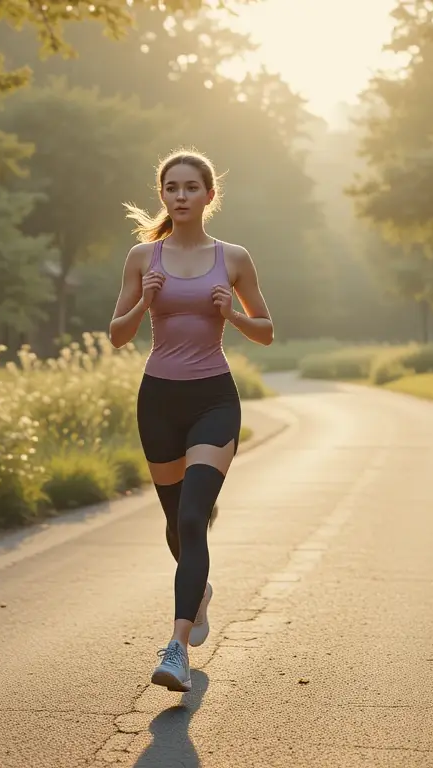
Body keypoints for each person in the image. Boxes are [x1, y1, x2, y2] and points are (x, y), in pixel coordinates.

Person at [108, 149, 275, 692]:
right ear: (163, 195)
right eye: (172, 188)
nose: (180, 196)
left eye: (191, 187)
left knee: (192, 516)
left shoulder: (234, 258)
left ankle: (176, 647)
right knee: (174, 519)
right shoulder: (143, 258)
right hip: (158, 400)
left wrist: (231, 314)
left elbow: (267, 330)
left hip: (213, 400)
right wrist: (143, 303)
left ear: (208, 195)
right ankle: (198, 591)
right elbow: (117, 334)